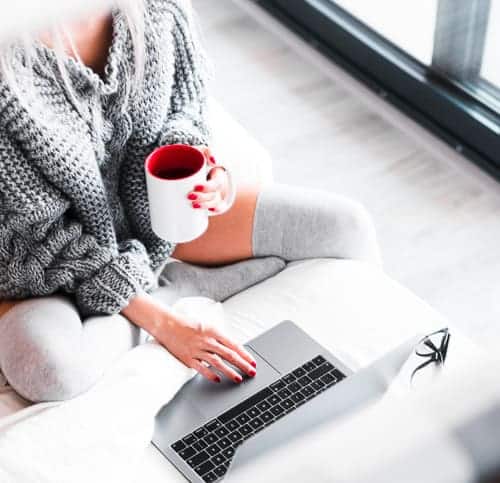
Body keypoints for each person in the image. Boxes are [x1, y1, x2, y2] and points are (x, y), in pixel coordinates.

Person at [0, 0, 381, 403]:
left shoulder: (157, 8)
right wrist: (164, 323)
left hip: (151, 222)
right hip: (47, 264)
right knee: (47, 369)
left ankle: (172, 286)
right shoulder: (9, 63)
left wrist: (206, 171)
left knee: (346, 227)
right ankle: (171, 291)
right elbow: (34, 235)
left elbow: (185, 111)